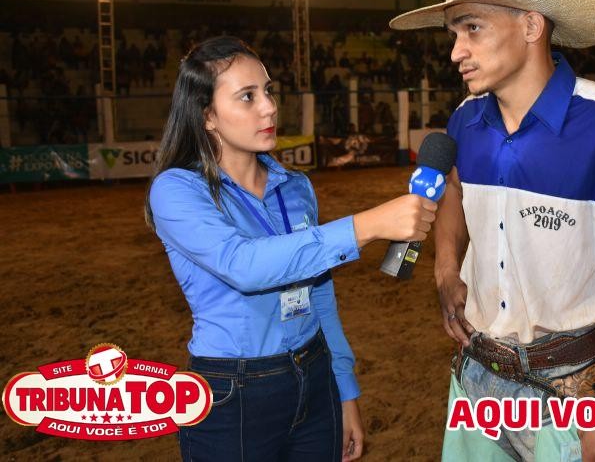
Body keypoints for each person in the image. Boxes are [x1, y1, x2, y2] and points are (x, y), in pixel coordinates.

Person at [390, 0, 595, 461]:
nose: (457, 52)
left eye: (472, 28)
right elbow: (453, 187)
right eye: (454, 33)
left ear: (530, 25)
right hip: (475, 377)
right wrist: (444, 263)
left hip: (574, 391)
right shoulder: (465, 120)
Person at [144, 36, 437, 461]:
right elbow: (242, 265)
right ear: (207, 115)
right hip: (234, 394)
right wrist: (367, 226)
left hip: (315, 377)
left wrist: (344, 389)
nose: (268, 107)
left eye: (268, 91)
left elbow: (320, 296)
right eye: (248, 96)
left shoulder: (295, 188)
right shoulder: (176, 191)